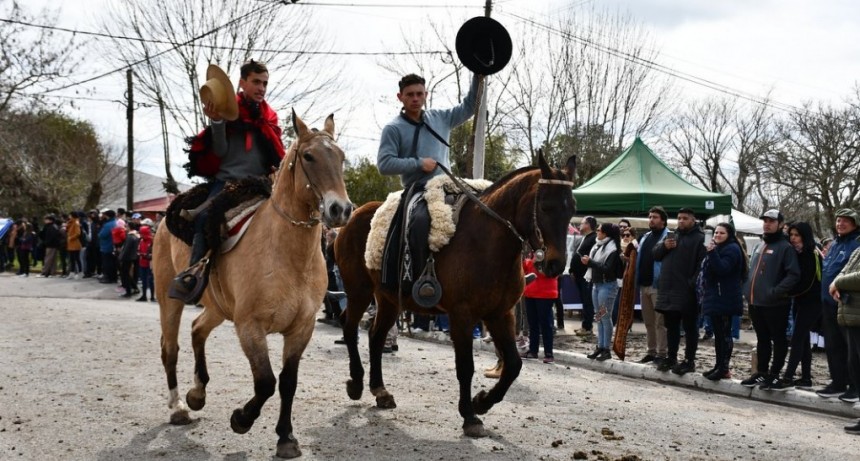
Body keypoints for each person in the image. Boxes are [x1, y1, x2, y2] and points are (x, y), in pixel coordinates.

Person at [171, 60, 286, 300]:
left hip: (261, 187)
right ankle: (193, 274)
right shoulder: (226, 110)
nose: (261, 88)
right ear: (242, 82)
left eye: (265, 83)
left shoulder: (270, 117)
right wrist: (217, 122)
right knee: (204, 218)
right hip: (227, 184)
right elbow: (220, 151)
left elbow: (275, 156)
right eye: (256, 82)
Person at [376, 71, 478, 301]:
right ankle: (419, 279)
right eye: (410, 94)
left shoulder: (441, 118)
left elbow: (470, 107)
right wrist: (419, 163)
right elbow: (384, 164)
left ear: (426, 95)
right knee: (421, 222)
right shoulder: (392, 128)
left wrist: (477, 75)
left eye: (419, 94)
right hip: (418, 189)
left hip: (448, 185)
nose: (415, 98)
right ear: (400, 97)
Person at [741, 209, 801, 390]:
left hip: (775, 304)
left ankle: (774, 374)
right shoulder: (760, 244)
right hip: (755, 302)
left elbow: (793, 275)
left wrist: (775, 292)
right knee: (762, 339)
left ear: (781, 224)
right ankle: (761, 373)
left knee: (778, 339)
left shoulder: (785, 247)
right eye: (765, 221)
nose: (767, 224)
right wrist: (746, 289)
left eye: (771, 221)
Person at [654, 207, 706, 375]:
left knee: (690, 328)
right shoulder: (672, 235)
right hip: (669, 290)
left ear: (693, 220)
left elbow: (701, 265)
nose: (681, 221)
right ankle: (671, 357)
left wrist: (692, 284)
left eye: (685, 218)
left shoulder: (700, 238)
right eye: (679, 218)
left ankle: (689, 360)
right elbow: (654, 254)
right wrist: (664, 246)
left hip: (687, 291)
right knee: (672, 327)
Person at [817, 208, 860, 400]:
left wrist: (839, 285)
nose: (840, 224)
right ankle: (838, 382)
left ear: (855, 224)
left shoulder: (856, 244)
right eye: (838, 221)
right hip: (828, 302)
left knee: (851, 348)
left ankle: (854, 385)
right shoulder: (835, 244)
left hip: (847, 303)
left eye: (845, 221)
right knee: (832, 345)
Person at [699, 223, 746, 381]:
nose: (717, 235)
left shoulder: (731, 249)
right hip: (715, 296)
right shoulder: (719, 248)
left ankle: (724, 368)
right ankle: (719, 365)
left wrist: (711, 252)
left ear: (729, 235)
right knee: (718, 335)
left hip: (725, 297)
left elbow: (722, 269)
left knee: (724, 335)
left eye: (721, 233)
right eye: (716, 232)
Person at [782, 222, 822, 389]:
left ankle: (787, 377)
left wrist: (785, 292)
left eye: (796, 235)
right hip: (800, 301)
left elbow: (806, 282)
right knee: (803, 340)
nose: (793, 238)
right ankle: (806, 378)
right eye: (791, 235)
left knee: (798, 339)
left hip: (812, 302)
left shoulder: (810, 253)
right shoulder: (797, 252)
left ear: (804, 236)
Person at [830, 245, 860, 434]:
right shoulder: (858, 250)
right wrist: (835, 284)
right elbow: (846, 268)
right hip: (852, 316)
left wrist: (837, 282)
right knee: (855, 365)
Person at [582, 223, 621, 362]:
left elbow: (608, 268)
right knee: (598, 316)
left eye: (599, 230)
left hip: (607, 286)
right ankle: (601, 346)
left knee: (604, 316)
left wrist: (590, 262)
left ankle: (606, 348)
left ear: (606, 233)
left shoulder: (613, 249)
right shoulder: (599, 245)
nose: (597, 232)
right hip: (597, 285)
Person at [635, 207, 670, 365]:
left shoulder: (668, 237)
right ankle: (651, 351)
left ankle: (662, 353)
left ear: (662, 220)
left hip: (659, 285)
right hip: (644, 284)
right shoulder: (645, 237)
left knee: (660, 322)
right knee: (648, 321)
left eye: (655, 217)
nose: (651, 220)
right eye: (650, 217)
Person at [521, 252, 560, 363]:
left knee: (546, 324)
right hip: (531, 292)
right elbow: (524, 269)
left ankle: (549, 353)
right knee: (532, 324)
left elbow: (550, 272)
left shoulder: (552, 254)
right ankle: (533, 351)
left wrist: (533, 263)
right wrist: (529, 262)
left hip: (545, 293)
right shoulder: (532, 253)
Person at [569, 216, 598, 337]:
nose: (580, 226)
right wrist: (572, 270)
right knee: (584, 301)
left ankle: (587, 327)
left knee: (587, 301)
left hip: (586, 276)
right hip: (578, 274)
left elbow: (591, 257)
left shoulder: (594, 238)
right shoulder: (584, 238)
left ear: (588, 225)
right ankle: (585, 325)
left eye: (582, 223)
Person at [136, 221, 155, 302]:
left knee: (151, 281)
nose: (140, 235)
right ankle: (144, 296)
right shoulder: (141, 241)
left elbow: (155, 253)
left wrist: (147, 255)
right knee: (143, 280)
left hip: (150, 264)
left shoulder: (152, 241)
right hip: (142, 263)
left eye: (142, 233)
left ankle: (152, 297)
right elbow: (138, 249)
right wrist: (139, 253)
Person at [66, 211, 83, 279]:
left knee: (77, 258)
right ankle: (72, 272)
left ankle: (80, 272)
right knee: (72, 259)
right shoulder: (71, 222)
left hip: (75, 243)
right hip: (70, 243)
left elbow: (78, 233)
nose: (68, 216)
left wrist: (71, 237)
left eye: (69, 215)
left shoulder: (76, 222)